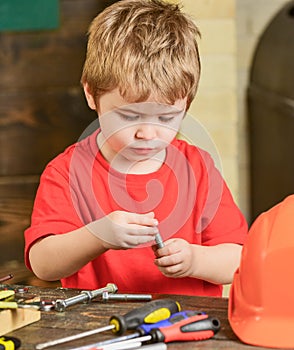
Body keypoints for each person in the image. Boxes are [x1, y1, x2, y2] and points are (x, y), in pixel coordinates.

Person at [24, 0, 247, 297]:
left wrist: (195, 260)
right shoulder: (67, 172)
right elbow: (43, 265)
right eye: (129, 116)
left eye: (167, 117)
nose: (147, 133)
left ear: (186, 104)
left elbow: (240, 260)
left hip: (189, 330)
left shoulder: (198, 169)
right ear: (91, 93)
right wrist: (98, 236)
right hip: (101, 330)